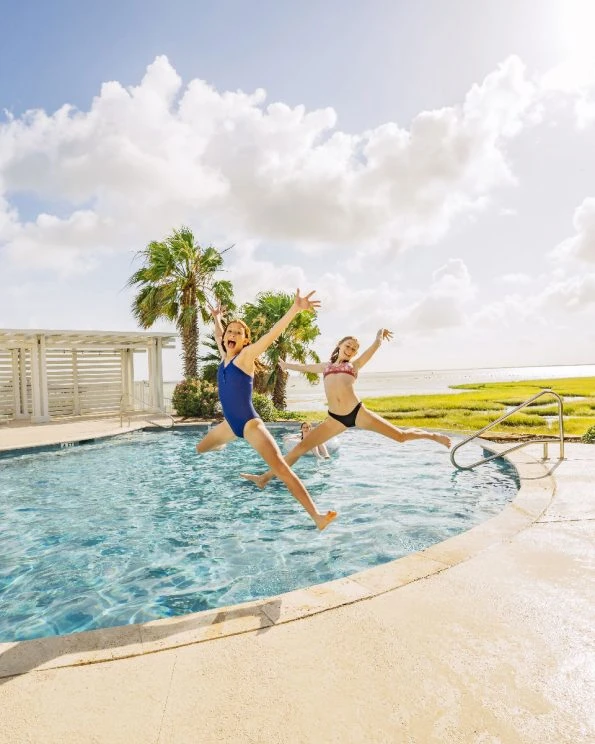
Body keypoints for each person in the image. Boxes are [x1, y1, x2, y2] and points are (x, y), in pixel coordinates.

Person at [195, 290, 337, 531]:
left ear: (245, 340)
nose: (232, 335)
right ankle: (226, 446)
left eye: (238, 333)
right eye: (230, 331)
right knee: (199, 449)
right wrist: (217, 318)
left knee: (281, 467)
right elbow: (220, 334)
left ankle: (317, 516)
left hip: (250, 425)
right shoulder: (224, 356)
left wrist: (294, 309)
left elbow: (272, 335)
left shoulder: (246, 356)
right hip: (230, 425)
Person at [240, 329, 451, 489]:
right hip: (335, 419)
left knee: (401, 436)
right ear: (339, 345)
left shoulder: (354, 366)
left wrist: (378, 338)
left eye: (353, 349)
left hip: (358, 413)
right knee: (299, 449)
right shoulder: (326, 367)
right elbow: (304, 367)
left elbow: (372, 350)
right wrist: (286, 366)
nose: (350, 351)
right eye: (348, 346)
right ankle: (264, 478)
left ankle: (433, 436)